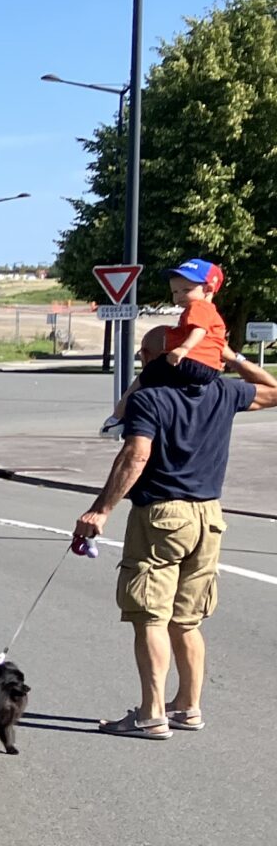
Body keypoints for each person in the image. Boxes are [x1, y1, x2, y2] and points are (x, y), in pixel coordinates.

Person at [73, 323, 277, 737]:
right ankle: (188, 707)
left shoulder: (149, 399)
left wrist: (101, 509)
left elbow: (135, 455)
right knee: (187, 620)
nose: (141, 362)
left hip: (162, 516)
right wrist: (232, 357)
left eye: (144, 355)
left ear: (158, 358)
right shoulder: (223, 392)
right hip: (209, 517)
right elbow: (273, 389)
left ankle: (150, 715)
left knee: (149, 614)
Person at [104, 257, 229, 433]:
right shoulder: (212, 313)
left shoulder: (198, 307)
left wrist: (184, 348)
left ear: (208, 289)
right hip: (210, 369)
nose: (179, 296)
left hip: (190, 361)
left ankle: (118, 418)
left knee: (144, 378)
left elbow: (199, 330)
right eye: (175, 292)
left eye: (186, 290)